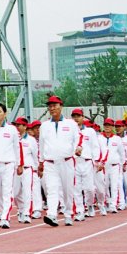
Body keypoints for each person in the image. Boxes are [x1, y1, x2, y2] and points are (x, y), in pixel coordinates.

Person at [38, 95, 80, 226]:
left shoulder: (71, 124)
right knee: (52, 189)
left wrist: (77, 149)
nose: (52, 108)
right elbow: (42, 145)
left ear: (61, 106)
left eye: (55, 105)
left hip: (66, 161)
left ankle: (68, 213)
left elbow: (77, 140)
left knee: (68, 190)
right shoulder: (44, 126)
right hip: (50, 162)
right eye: (50, 106)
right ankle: (52, 214)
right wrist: (41, 162)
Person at [71, 110, 97, 220]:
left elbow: (95, 146)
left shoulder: (90, 131)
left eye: (78, 116)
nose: (76, 119)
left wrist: (97, 161)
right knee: (76, 189)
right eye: (74, 116)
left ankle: (90, 204)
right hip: (75, 162)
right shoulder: (70, 131)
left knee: (89, 188)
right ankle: (79, 211)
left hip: (87, 162)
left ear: (83, 117)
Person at [13, 116, 37, 224]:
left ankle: (27, 213)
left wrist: (37, 169)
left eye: (19, 125)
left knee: (27, 191)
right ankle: (21, 209)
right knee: (15, 192)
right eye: (16, 125)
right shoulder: (14, 138)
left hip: (27, 168)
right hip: (15, 169)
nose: (17, 127)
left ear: (25, 126)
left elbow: (35, 155)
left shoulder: (31, 140)